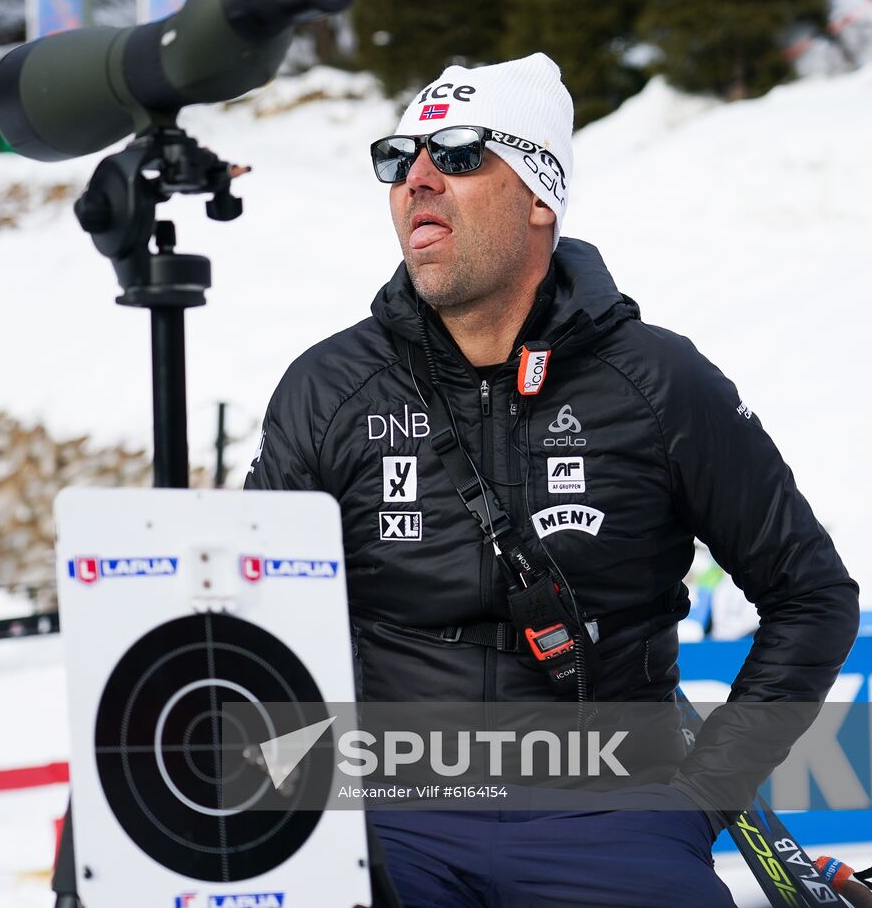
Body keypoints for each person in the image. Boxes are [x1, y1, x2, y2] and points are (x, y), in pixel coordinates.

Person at [245, 53, 858, 907]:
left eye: (456, 154)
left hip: (613, 817)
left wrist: (693, 804)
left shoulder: (659, 382)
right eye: (397, 158)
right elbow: (246, 618)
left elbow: (811, 597)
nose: (417, 178)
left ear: (539, 194)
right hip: (391, 820)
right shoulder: (329, 387)